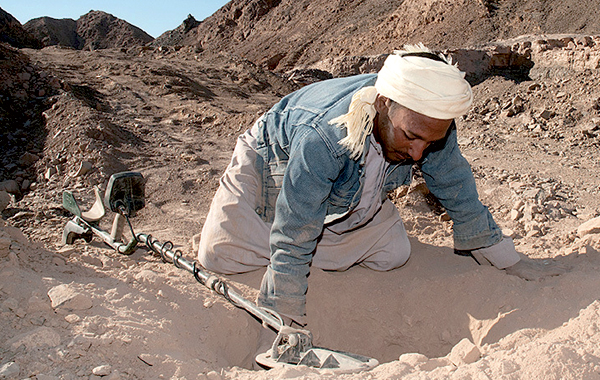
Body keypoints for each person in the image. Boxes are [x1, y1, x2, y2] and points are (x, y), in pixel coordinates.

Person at [197, 44, 561, 326]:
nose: (419, 154)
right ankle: (307, 245)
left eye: (430, 143)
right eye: (412, 137)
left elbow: (454, 182)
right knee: (217, 254)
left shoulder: (426, 122)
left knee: (394, 254)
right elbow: (296, 222)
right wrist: (284, 308)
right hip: (270, 158)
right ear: (385, 103)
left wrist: (503, 257)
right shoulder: (324, 137)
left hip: (353, 168)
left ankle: (321, 240)